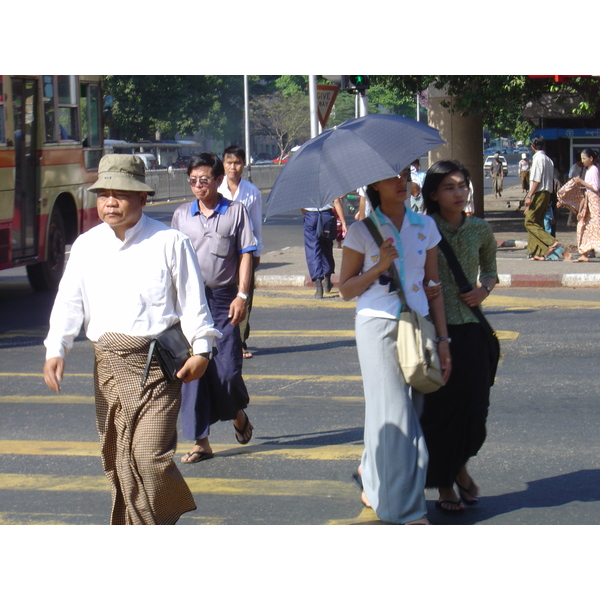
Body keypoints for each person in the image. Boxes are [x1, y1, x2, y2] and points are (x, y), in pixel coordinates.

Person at [42, 154, 220, 525]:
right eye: (103, 193)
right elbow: (68, 302)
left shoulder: (170, 242)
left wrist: (203, 349)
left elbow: (193, 303)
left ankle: (159, 521)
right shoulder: (87, 246)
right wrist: (56, 348)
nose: (110, 201)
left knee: (149, 457)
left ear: (142, 198)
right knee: (119, 459)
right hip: (108, 368)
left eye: (120, 194)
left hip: (157, 368)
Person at [338, 166, 451, 525]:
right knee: (396, 416)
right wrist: (379, 266)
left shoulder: (425, 226)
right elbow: (345, 290)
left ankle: (371, 479)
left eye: (403, 175)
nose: (400, 182)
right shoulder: (362, 231)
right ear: (374, 184)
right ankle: (404, 509)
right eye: (391, 177)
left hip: (417, 326)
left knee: (406, 409)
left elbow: (434, 287)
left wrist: (444, 340)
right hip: (376, 324)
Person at [419, 159, 497, 514]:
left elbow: (491, 272)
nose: (459, 192)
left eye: (462, 185)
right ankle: (447, 483)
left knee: (475, 411)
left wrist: (484, 289)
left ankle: (460, 464)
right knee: (441, 412)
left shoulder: (480, 229)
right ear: (433, 194)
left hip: (472, 329)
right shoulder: (423, 228)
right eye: (449, 187)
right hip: (436, 330)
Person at [171, 153, 257, 463]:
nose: (198, 186)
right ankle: (201, 440)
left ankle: (236, 413)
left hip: (224, 299)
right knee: (193, 372)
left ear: (218, 180)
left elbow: (247, 254)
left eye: (204, 180)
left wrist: (242, 296)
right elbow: (173, 262)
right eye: (192, 180)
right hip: (191, 301)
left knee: (227, 371)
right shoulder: (181, 215)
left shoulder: (236, 212)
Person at [218, 145, 263, 359]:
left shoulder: (252, 192)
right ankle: (223, 340)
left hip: (245, 251)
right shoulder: (217, 190)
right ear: (223, 164)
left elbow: (256, 226)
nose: (233, 167)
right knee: (222, 296)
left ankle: (240, 341)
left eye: (237, 163)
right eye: (229, 163)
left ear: (243, 164)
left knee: (244, 295)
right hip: (221, 252)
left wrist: (257, 253)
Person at [524, 135, 563, 260]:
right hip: (547, 193)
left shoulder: (538, 159)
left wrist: (529, 195)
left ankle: (551, 242)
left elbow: (536, 179)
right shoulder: (548, 160)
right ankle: (537, 252)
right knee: (537, 222)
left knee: (529, 221)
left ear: (533, 146)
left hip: (538, 192)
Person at [303, 198, 347, 298]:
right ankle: (327, 279)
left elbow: (301, 205)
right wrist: (343, 222)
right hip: (327, 215)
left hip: (311, 216)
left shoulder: (305, 185)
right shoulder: (329, 183)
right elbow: (336, 201)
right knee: (327, 247)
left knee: (313, 250)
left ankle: (319, 286)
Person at [569, 148, 600, 262]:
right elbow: (589, 187)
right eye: (581, 159)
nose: (582, 161)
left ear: (591, 159)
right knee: (583, 227)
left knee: (593, 228)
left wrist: (582, 182)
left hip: (594, 202)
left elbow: (595, 188)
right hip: (588, 200)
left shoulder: (594, 170)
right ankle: (584, 254)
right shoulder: (588, 170)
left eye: (584, 158)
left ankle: (586, 253)